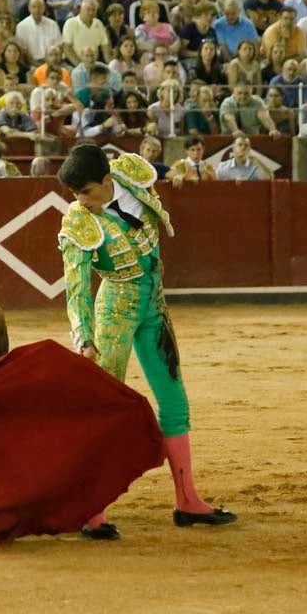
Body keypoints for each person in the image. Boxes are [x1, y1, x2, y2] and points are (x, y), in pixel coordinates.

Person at [56, 143, 235, 540]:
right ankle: (92, 511)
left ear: (107, 180)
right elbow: (77, 288)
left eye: (86, 192)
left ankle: (187, 501)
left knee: (174, 402)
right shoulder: (79, 222)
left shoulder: (131, 178)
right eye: (75, 195)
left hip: (153, 305)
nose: (80, 202)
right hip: (114, 312)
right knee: (104, 410)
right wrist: (84, 337)